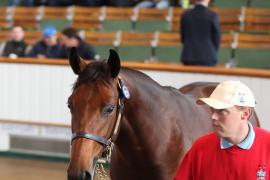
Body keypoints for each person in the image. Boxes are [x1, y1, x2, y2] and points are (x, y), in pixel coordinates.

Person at [174, 80, 270, 180]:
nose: (213, 116)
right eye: (212, 110)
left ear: (245, 114)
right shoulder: (200, 148)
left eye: (222, 111)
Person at [180, 0, 220, 66]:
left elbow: (183, 37)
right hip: (208, 56)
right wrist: (212, 50)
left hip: (188, 56)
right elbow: (216, 37)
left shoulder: (185, 15)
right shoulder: (212, 15)